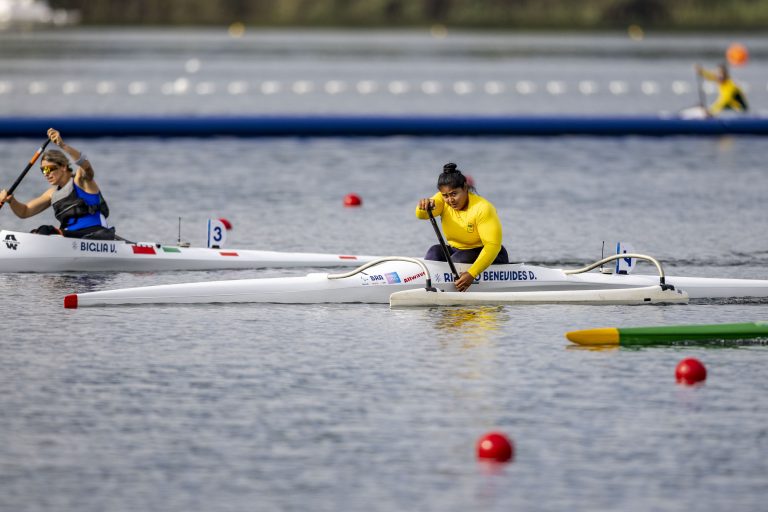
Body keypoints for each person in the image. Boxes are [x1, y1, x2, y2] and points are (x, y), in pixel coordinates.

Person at [0, 128, 117, 240]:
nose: (46, 174)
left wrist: (63, 145)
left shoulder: (82, 180)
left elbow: (86, 166)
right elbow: (25, 211)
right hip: (71, 239)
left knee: (46, 231)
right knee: (36, 233)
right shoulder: (52, 194)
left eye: (49, 169)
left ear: (63, 167)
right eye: (43, 170)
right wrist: (11, 201)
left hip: (96, 234)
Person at [416, 162, 509, 292]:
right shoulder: (442, 200)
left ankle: (449, 283)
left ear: (465, 187)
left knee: (458, 260)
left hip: (490, 254)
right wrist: (422, 207)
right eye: (445, 196)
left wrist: (472, 274)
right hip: (457, 250)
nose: (450, 200)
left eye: (454, 194)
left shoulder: (483, 208)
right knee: (434, 252)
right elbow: (422, 215)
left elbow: (492, 246)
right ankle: (429, 283)